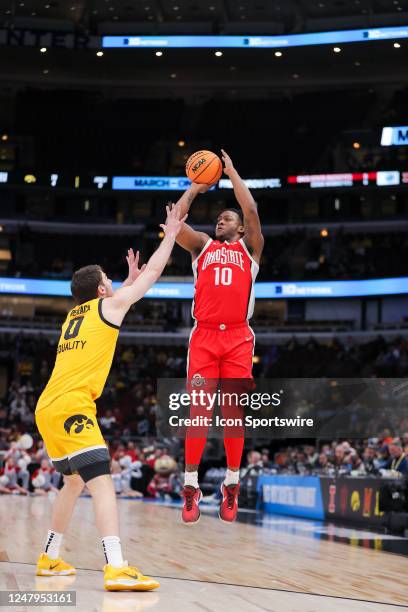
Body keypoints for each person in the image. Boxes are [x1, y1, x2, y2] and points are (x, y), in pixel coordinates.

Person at [35, 203, 186, 591]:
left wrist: (125, 287)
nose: (114, 284)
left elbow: (110, 311)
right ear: (103, 289)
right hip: (71, 405)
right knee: (102, 483)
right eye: (109, 280)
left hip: (47, 407)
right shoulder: (111, 305)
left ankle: (50, 557)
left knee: (72, 483)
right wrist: (170, 234)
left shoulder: (73, 317)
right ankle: (116, 566)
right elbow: (153, 272)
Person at [174, 149, 264, 524]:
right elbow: (174, 223)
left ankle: (231, 484)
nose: (220, 220)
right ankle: (191, 487)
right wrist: (195, 188)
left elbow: (253, 209)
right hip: (205, 338)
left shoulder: (250, 249)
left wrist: (231, 172)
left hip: (239, 339)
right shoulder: (202, 248)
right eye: (219, 218)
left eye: (227, 218)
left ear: (241, 229)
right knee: (198, 413)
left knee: (231, 414)